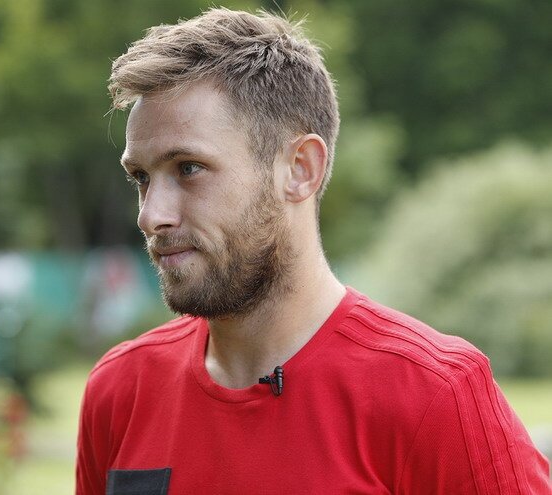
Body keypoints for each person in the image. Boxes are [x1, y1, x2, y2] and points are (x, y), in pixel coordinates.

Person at [76, 8, 551, 494]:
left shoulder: (435, 394)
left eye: (188, 168)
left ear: (300, 169)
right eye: (141, 177)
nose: (151, 215)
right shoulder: (119, 391)